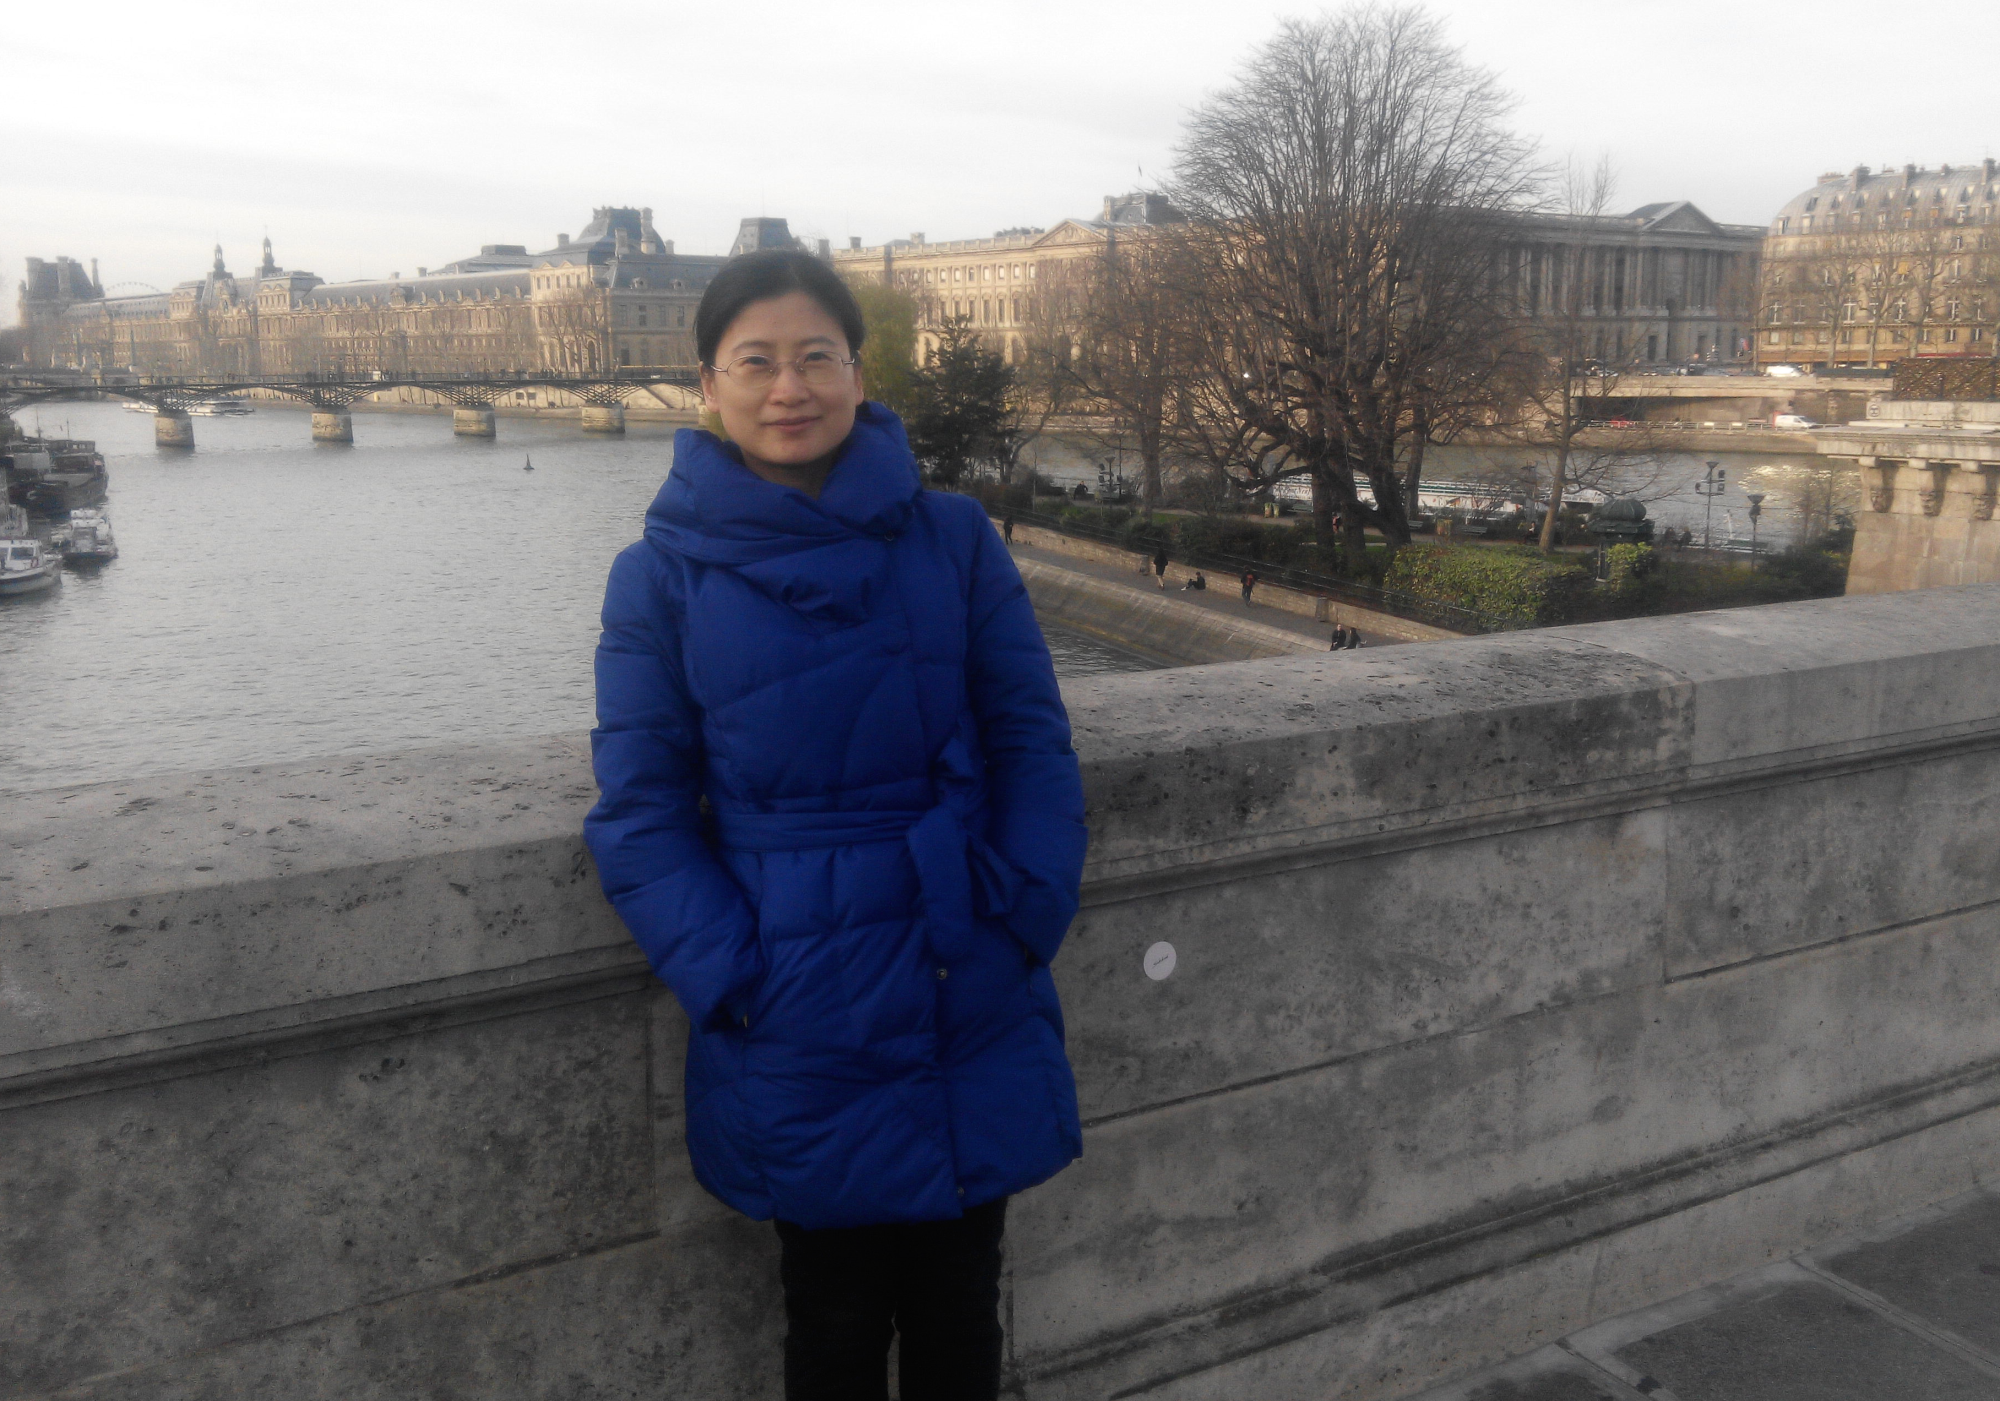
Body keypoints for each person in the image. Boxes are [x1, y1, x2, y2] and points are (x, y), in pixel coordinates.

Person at [585, 248, 1087, 1401]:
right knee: (833, 1321)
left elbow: (1031, 745)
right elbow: (641, 811)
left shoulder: (953, 538)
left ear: (858, 374)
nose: (788, 388)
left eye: (815, 357)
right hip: (794, 1003)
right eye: (754, 362)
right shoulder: (655, 579)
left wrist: (1021, 917)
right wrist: (736, 980)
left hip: (964, 971)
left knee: (962, 1306)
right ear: (706, 386)